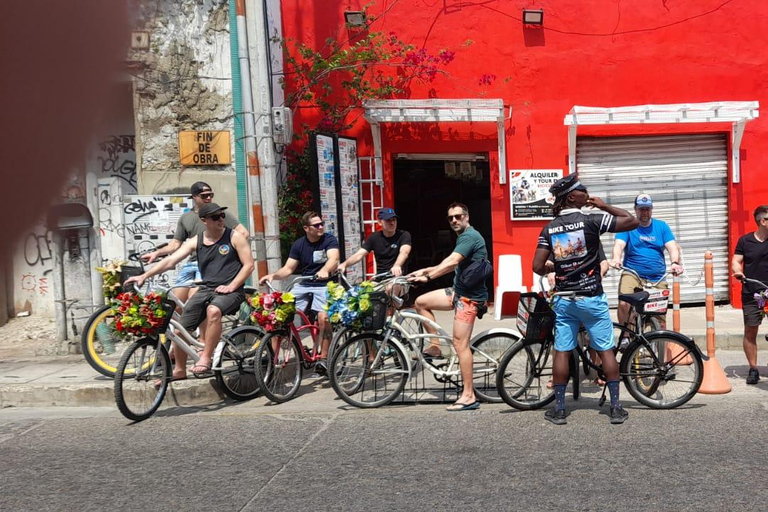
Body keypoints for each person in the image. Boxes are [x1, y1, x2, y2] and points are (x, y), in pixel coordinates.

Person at [533, 174, 638, 425]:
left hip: (565, 300)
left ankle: (559, 410)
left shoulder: (550, 229)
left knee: (562, 351)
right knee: (605, 349)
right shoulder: (592, 220)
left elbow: (537, 266)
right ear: (572, 197)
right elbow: (631, 220)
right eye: (582, 190)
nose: (586, 192)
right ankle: (615, 408)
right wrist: (602, 205)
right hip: (592, 298)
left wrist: (554, 269)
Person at [125, 203, 254, 378]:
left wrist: (232, 285)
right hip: (207, 288)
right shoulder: (196, 241)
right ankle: (179, 370)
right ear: (204, 221)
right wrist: (144, 276)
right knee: (179, 331)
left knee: (213, 311)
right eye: (215, 217)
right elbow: (171, 261)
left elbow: (249, 265)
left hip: (233, 291)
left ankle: (206, 358)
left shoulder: (234, 237)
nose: (221, 220)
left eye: (222, 216)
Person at [408, 202, 489, 411]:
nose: (454, 220)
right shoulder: (463, 237)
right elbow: (448, 262)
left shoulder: (470, 237)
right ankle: (434, 346)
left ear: (467, 216)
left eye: (458, 216)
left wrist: (428, 277)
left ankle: (469, 395)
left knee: (460, 345)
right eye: (451, 217)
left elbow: (452, 262)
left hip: (469, 299)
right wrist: (424, 271)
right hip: (457, 293)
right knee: (420, 303)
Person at [141, 182, 249, 303]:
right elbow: (175, 245)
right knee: (175, 303)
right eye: (204, 196)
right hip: (192, 263)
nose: (208, 198)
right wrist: (157, 253)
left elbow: (243, 233)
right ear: (194, 197)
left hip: (210, 265)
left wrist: (224, 253)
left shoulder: (219, 214)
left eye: (210, 195)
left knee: (196, 300)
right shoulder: (186, 218)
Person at [259, 211, 340, 373]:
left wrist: (325, 271)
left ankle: (324, 359)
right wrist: (273, 275)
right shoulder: (299, 244)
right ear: (306, 228)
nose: (321, 227)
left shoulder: (329, 240)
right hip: (304, 284)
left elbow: (333, 259)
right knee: (279, 314)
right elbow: (288, 268)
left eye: (321, 224)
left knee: (324, 317)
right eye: (316, 225)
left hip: (325, 284)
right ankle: (272, 358)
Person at [610, 193, 683, 336]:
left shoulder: (661, 227)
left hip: (657, 276)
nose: (644, 212)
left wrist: (674, 263)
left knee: (660, 316)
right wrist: (616, 258)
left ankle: (659, 343)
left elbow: (672, 247)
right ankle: (625, 337)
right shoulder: (629, 226)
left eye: (647, 209)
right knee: (624, 303)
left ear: (651, 209)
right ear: (635, 209)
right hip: (633, 273)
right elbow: (618, 245)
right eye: (641, 209)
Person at [731, 205, 768, 384]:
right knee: (751, 331)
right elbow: (736, 261)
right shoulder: (745, 241)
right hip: (752, 292)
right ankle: (753, 369)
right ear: (763, 221)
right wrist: (738, 272)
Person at [338, 207, 412, 276]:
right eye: (388, 220)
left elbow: (404, 252)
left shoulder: (403, 235)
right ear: (380, 222)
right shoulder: (374, 237)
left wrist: (397, 265)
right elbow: (359, 255)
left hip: (398, 276)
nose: (392, 223)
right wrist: (344, 264)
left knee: (391, 288)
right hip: (380, 277)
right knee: (366, 289)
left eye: (394, 220)